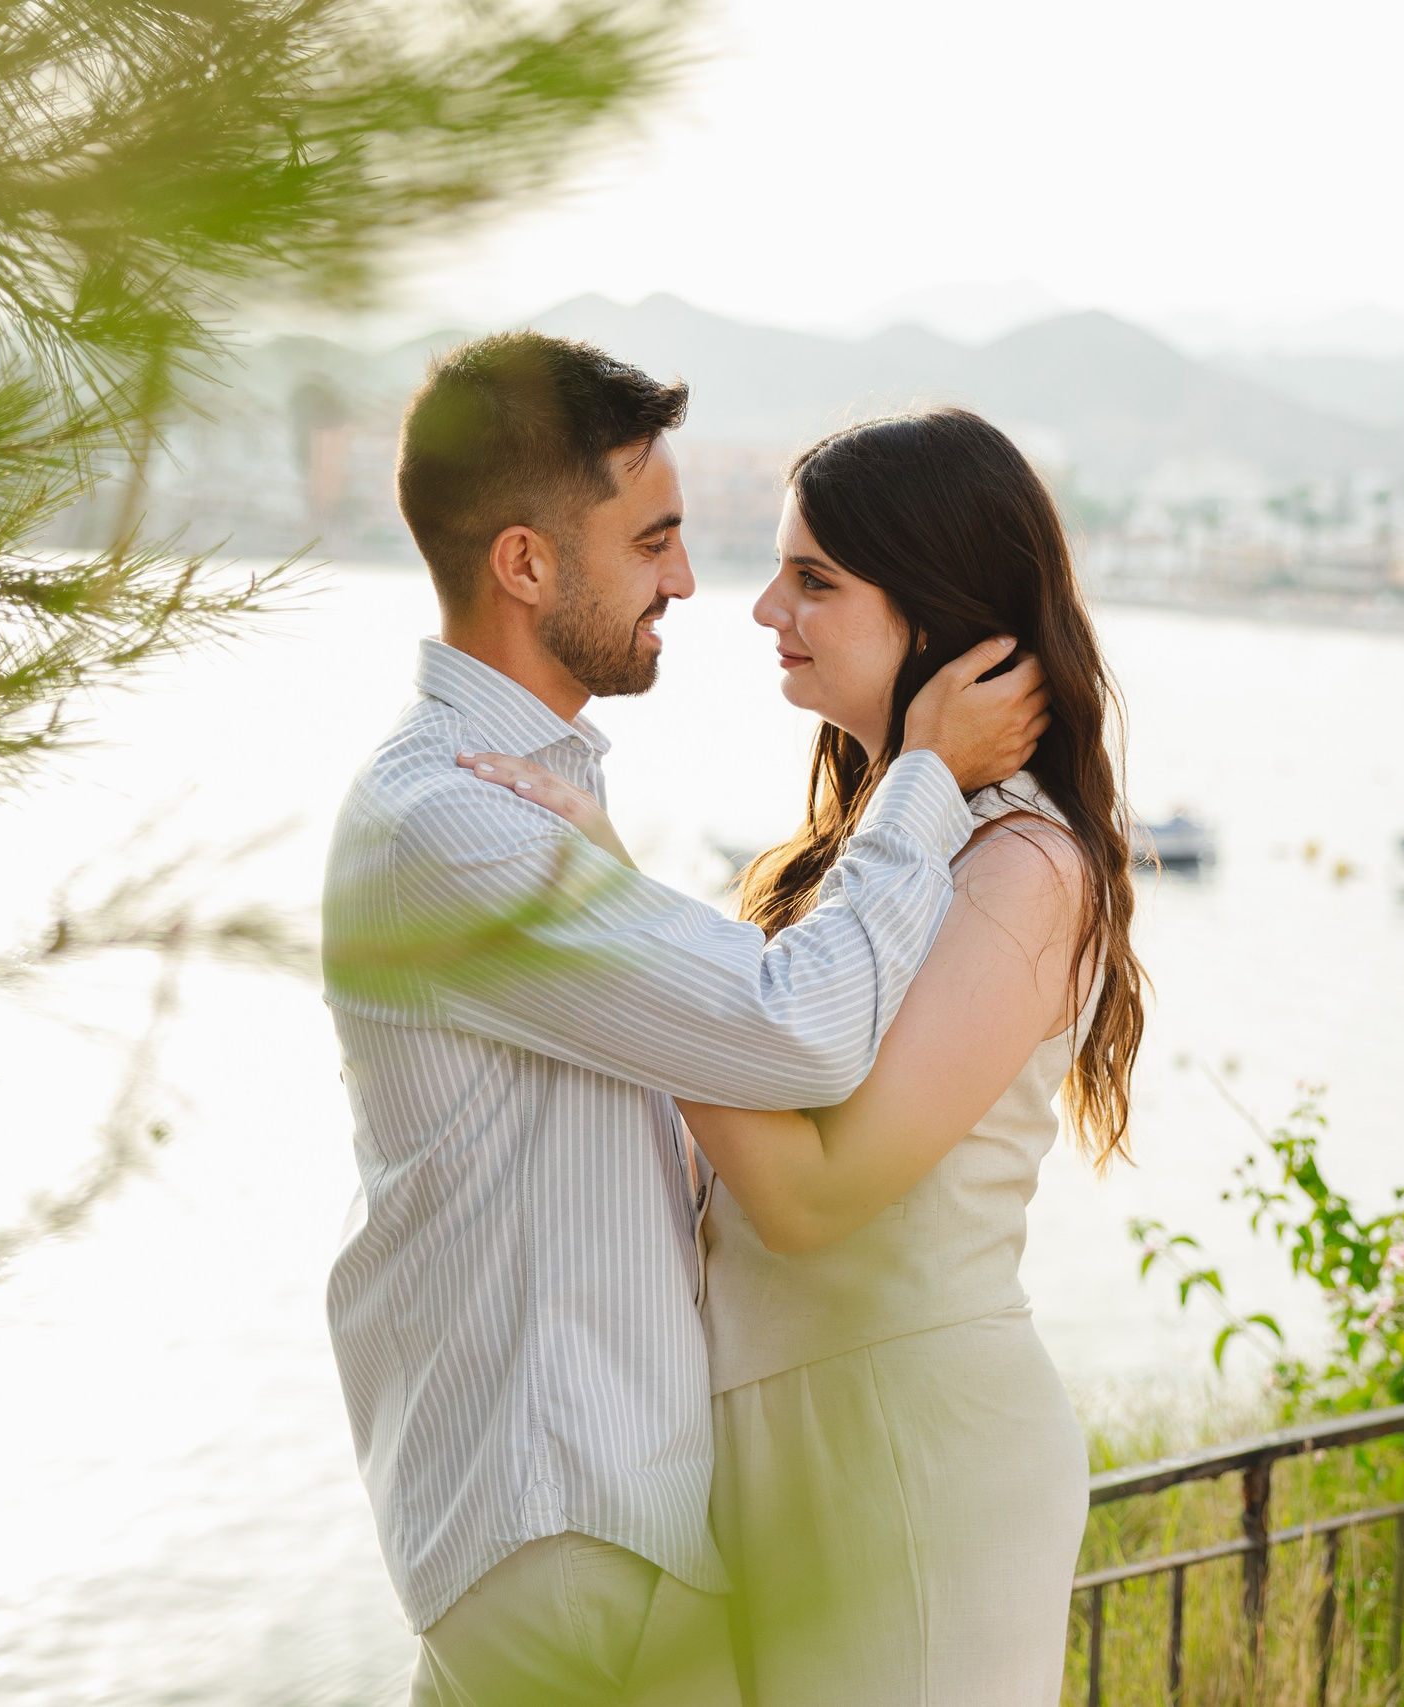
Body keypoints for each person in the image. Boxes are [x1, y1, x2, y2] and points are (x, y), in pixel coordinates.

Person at [320, 336, 1049, 1707]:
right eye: (655, 538)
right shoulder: (458, 821)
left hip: (583, 1528)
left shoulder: (506, 810)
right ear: (528, 565)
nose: (693, 582)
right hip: (573, 1523)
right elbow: (799, 1033)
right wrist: (929, 783)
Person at [462, 408, 1145, 1706]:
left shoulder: (1026, 866)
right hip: (776, 1443)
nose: (767, 603)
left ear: (942, 611)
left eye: (816, 578)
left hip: (910, 1449)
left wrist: (620, 929)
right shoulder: (860, 857)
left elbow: (814, 1196)